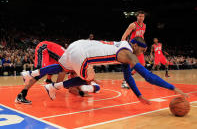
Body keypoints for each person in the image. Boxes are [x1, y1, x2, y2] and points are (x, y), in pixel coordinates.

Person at [44, 37, 188, 104]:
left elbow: (128, 77)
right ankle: (51, 85)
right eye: (141, 50)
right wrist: (173, 88)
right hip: (81, 53)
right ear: (135, 46)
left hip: (79, 46)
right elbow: (148, 76)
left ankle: (46, 82)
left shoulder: (123, 48)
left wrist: (139, 96)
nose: (140, 54)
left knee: (67, 69)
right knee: (87, 77)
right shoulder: (129, 53)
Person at [121, 10, 146, 88]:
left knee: (142, 64)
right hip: (133, 47)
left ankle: (128, 77)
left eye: (142, 16)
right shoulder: (133, 25)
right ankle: (124, 81)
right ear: (137, 17)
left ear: (144, 17)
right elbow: (124, 36)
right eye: (139, 16)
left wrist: (144, 45)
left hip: (139, 48)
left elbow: (142, 36)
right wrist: (123, 44)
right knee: (131, 65)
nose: (141, 18)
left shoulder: (144, 25)